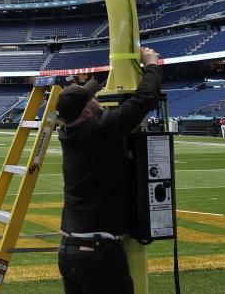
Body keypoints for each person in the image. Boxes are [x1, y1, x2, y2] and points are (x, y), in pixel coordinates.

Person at [56, 46, 162, 294]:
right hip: (98, 254)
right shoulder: (98, 131)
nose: (98, 98)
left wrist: (115, 66)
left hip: (69, 250)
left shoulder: (70, 133)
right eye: (93, 98)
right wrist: (152, 65)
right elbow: (144, 100)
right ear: (86, 110)